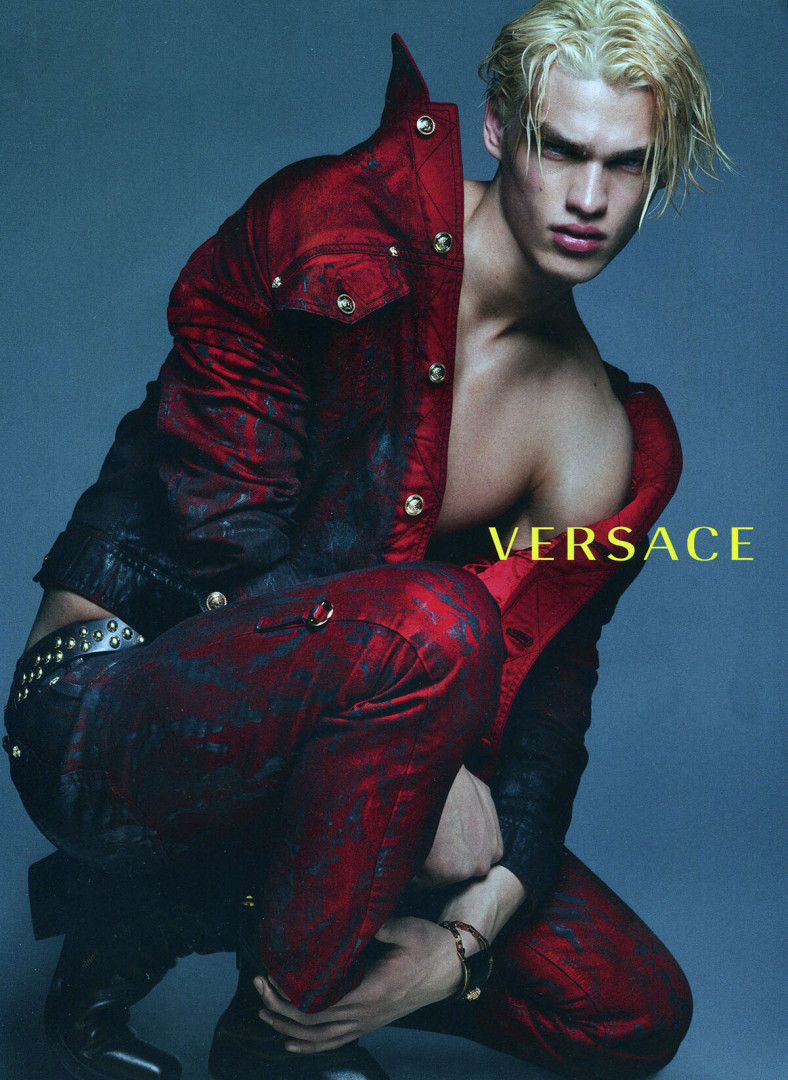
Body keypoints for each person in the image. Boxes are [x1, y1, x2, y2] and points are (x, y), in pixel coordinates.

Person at [4, 1, 728, 1078]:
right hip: (111, 711)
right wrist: (428, 780)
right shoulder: (333, 226)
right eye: (560, 149)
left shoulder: (589, 439)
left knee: (629, 1008)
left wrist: (467, 937)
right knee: (436, 621)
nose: (588, 199)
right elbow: (219, 550)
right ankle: (271, 1028)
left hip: (349, 737)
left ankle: (252, 1000)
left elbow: (543, 708)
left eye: (626, 165)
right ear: (498, 127)